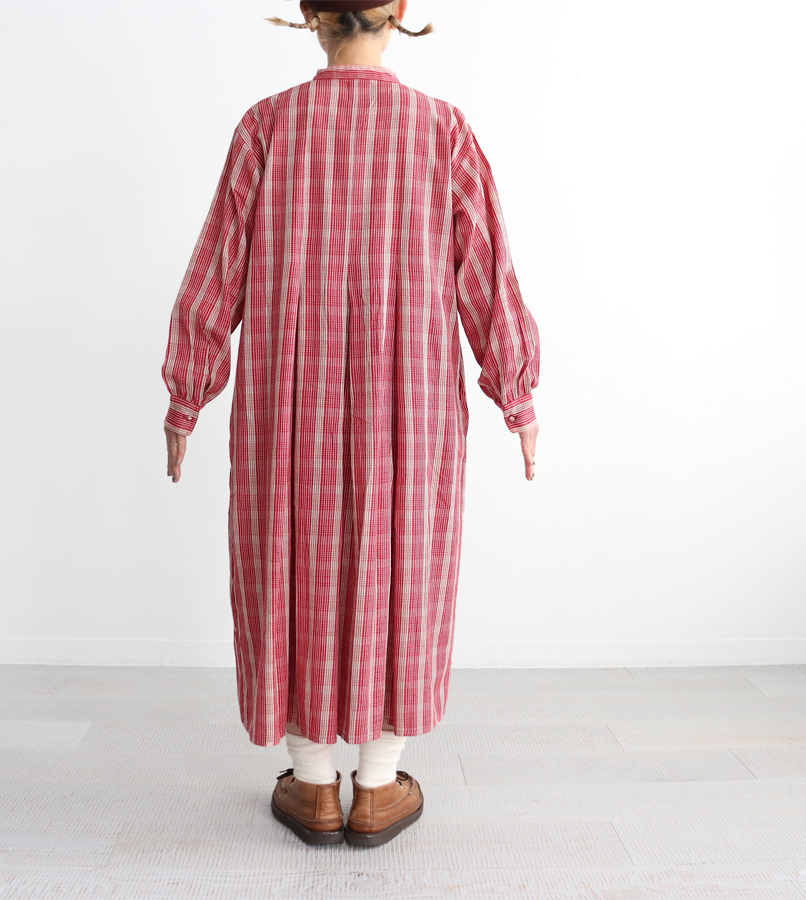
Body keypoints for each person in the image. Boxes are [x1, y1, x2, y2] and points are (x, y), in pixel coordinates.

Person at [161, 0, 540, 847]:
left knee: (288, 569)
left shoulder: (266, 128)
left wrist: (186, 396)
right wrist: (517, 395)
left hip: (285, 408)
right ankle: (376, 786)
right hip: (408, 407)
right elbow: (488, 275)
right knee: (401, 571)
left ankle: (312, 786)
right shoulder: (443, 131)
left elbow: (215, 273)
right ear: (398, 11)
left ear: (309, 13)